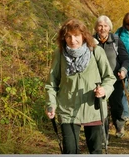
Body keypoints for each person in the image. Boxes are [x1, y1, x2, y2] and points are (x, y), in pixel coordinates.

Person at [45, 18, 116, 154]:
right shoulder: (59, 54)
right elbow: (51, 83)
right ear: (63, 38)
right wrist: (51, 104)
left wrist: (104, 90)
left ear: (84, 36)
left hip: (93, 107)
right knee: (70, 150)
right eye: (68, 36)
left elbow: (109, 77)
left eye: (76, 36)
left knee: (95, 150)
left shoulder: (96, 51)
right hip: (68, 108)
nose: (73, 40)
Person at [94, 15, 129, 138]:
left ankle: (119, 126)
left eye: (105, 26)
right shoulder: (90, 41)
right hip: (97, 81)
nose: (102, 28)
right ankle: (103, 131)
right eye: (100, 26)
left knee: (116, 105)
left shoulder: (116, 40)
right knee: (100, 105)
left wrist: (123, 70)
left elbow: (125, 59)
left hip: (115, 79)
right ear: (96, 27)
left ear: (109, 28)